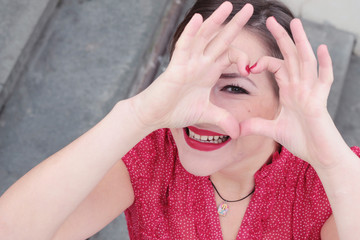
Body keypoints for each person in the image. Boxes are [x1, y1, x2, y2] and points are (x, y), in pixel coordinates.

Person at [0, 0, 359, 239]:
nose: (200, 107)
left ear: (285, 102)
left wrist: (330, 161)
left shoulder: (331, 181)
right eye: (190, 79)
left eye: (234, 89)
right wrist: (137, 115)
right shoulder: (150, 155)